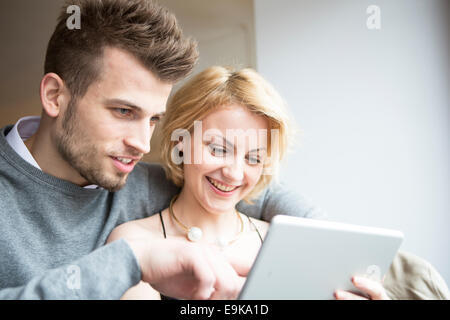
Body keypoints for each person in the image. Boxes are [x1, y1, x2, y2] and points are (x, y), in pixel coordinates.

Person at [0, 0, 325, 299]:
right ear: (55, 96)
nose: (142, 144)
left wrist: (338, 264)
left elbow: (247, 185)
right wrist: (132, 261)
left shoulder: (141, 178)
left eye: (154, 118)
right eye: (124, 112)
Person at [106, 66, 391, 300]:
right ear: (181, 143)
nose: (233, 173)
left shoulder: (288, 244)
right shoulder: (135, 241)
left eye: (253, 158)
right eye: (218, 149)